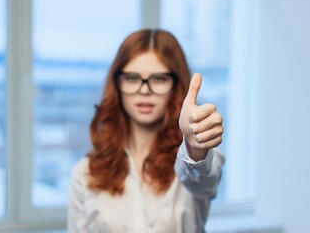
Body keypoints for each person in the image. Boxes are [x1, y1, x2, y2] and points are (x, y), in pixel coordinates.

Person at [68, 29, 225, 233]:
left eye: (159, 79)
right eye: (132, 78)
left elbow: (199, 178)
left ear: (176, 85)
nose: (144, 90)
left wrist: (195, 148)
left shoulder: (200, 158)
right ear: (117, 84)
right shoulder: (85, 172)